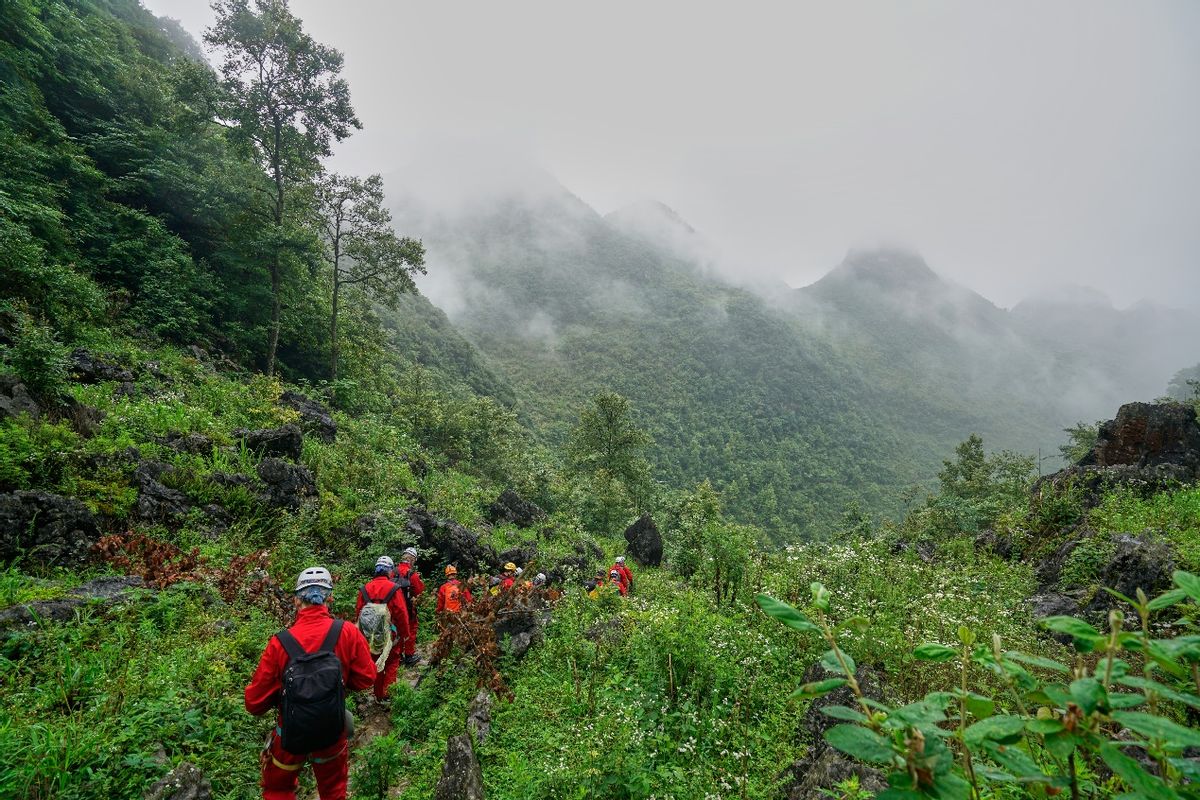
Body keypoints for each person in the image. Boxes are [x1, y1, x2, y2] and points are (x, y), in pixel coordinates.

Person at [245, 566, 375, 800]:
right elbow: (367, 677)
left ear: (296, 601)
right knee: (334, 790)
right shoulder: (347, 632)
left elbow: (254, 703)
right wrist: (339, 684)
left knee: (278, 789)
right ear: (330, 598)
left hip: (290, 734)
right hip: (332, 731)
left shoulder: (279, 643)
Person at [354, 556, 412, 702]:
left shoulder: (364, 589)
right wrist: (405, 633)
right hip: (390, 633)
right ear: (390, 571)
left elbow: (359, 613)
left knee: (376, 663)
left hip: (370, 636)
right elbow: (401, 613)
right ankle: (387, 695)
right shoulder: (394, 589)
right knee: (392, 661)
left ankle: (378, 694)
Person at [395, 547, 425, 666]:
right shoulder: (412, 575)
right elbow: (419, 591)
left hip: (393, 607)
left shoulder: (393, 571)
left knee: (395, 630)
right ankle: (409, 655)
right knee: (410, 630)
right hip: (408, 607)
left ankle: (397, 655)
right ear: (412, 560)